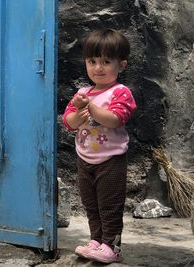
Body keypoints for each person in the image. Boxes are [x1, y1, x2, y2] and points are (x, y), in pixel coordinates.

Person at [62, 28, 137, 264]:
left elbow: (116, 119)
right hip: (85, 159)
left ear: (121, 65)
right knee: (90, 204)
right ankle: (96, 240)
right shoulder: (82, 93)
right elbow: (68, 123)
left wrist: (91, 108)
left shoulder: (120, 92)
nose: (98, 67)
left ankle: (112, 246)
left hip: (111, 160)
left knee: (110, 205)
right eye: (92, 61)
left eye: (106, 61)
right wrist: (79, 114)